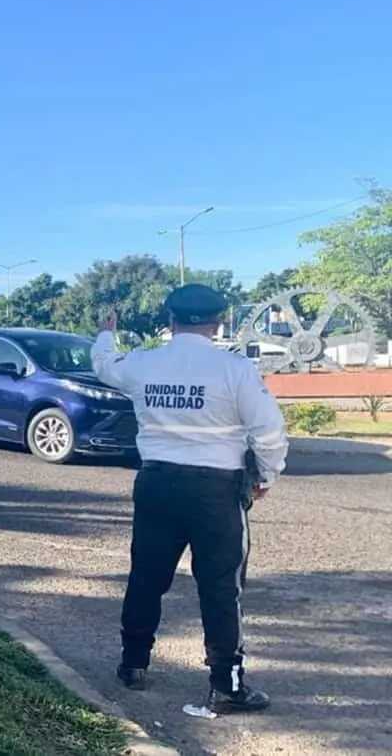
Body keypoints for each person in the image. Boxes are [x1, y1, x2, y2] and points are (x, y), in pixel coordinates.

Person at [90, 283, 289, 715]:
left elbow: (105, 366)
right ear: (217, 323)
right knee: (221, 586)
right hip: (216, 490)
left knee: (147, 575)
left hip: (157, 483)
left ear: (170, 320)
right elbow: (269, 431)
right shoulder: (233, 369)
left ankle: (133, 663)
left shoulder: (144, 364)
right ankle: (226, 683)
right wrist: (266, 475)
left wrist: (107, 333)